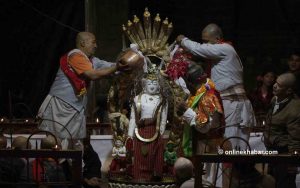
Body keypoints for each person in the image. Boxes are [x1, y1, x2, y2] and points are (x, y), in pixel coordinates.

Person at [37, 32, 128, 150]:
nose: (96, 46)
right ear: (83, 43)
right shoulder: (76, 56)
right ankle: (54, 168)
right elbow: (92, 75)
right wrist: (116, 67)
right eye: (93, 42)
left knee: (74, 145)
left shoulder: (92, 60)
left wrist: (127, 64)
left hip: (75, 109)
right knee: (55, 143)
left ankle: (69, 167)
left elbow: (109, 66)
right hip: (61, 106)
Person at [176, 23, 256, 150]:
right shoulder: (221, 55)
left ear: (218, 39)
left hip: (233, 105)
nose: (205, 45)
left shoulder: (225, 48)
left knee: (232, 148)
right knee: (230, 149)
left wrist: (183, 40)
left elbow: (199, 49)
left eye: (207, 42)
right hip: (230, 104)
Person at [128, 73, 168, 181]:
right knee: (140, 156)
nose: (152, 85)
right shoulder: (137, 99)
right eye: (149, 83)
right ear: (144, 85)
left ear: (158, 86)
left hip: (155, 131)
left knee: (154, 157)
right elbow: (133, 118)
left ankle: (154, 177)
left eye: (155, 83)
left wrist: (161, 132)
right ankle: (139, 176)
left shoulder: (162, 100)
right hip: (140, 131)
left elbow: (163, 118)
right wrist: (129, 135)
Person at [264, 72, 300, 188]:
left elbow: (295, 138)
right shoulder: (275, 99)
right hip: (272, 150)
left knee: (284, 184)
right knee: (272, 181)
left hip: (284, 154)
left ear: (288, 91)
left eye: (279, 85)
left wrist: (293, 161)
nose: (274, 85)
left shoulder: (295, 109)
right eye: (276, 82)